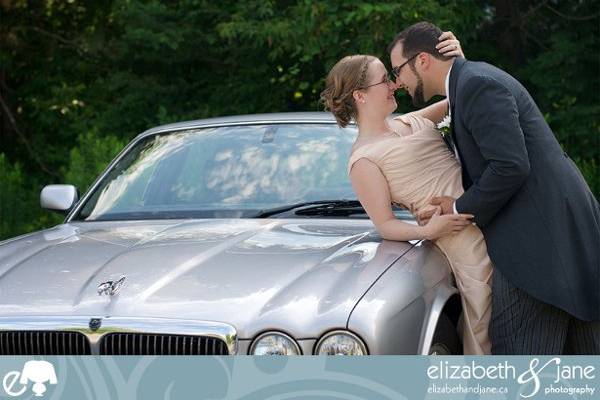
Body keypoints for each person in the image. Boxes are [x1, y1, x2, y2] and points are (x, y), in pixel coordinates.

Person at [389, 22, 600, 354]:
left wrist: (458, 208)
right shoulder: (468, 83)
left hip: (537, 245)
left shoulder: (476, 85)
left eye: (398, 71)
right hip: (556, 232)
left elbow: (510, 166)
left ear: (423, 61)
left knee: (519, 361)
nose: (398, 83)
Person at [321, 33, 493, 355]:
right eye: (384, 80)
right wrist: (427, 231)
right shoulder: (364, 159)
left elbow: (462, 93)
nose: (394, 85)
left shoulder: (410, 121)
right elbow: (385, 224)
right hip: (459, 236)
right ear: (360, 95)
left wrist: (458, 60)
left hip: (489, 213)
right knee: (482, 324)